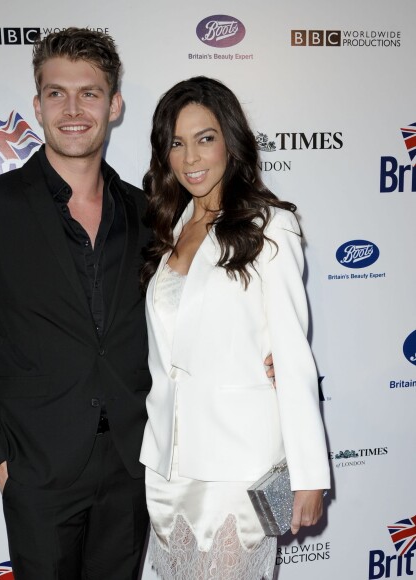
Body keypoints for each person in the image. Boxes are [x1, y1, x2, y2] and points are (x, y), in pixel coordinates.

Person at [0, 28, 152, 580]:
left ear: (115, 104)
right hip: (37, 467)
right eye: (57, 93)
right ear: (37, 105)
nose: (73, 109)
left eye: (90, 93)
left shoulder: (147, 212)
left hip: (133, 464)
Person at [139, 77, 331, 579]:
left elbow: (292, 355)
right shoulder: (172, 226)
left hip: (237, 463)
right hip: (167, 464)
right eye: (176, 143)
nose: (190, 157)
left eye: (204, 138)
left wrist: (309, 475)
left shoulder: (270, 225)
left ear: (230, 140)